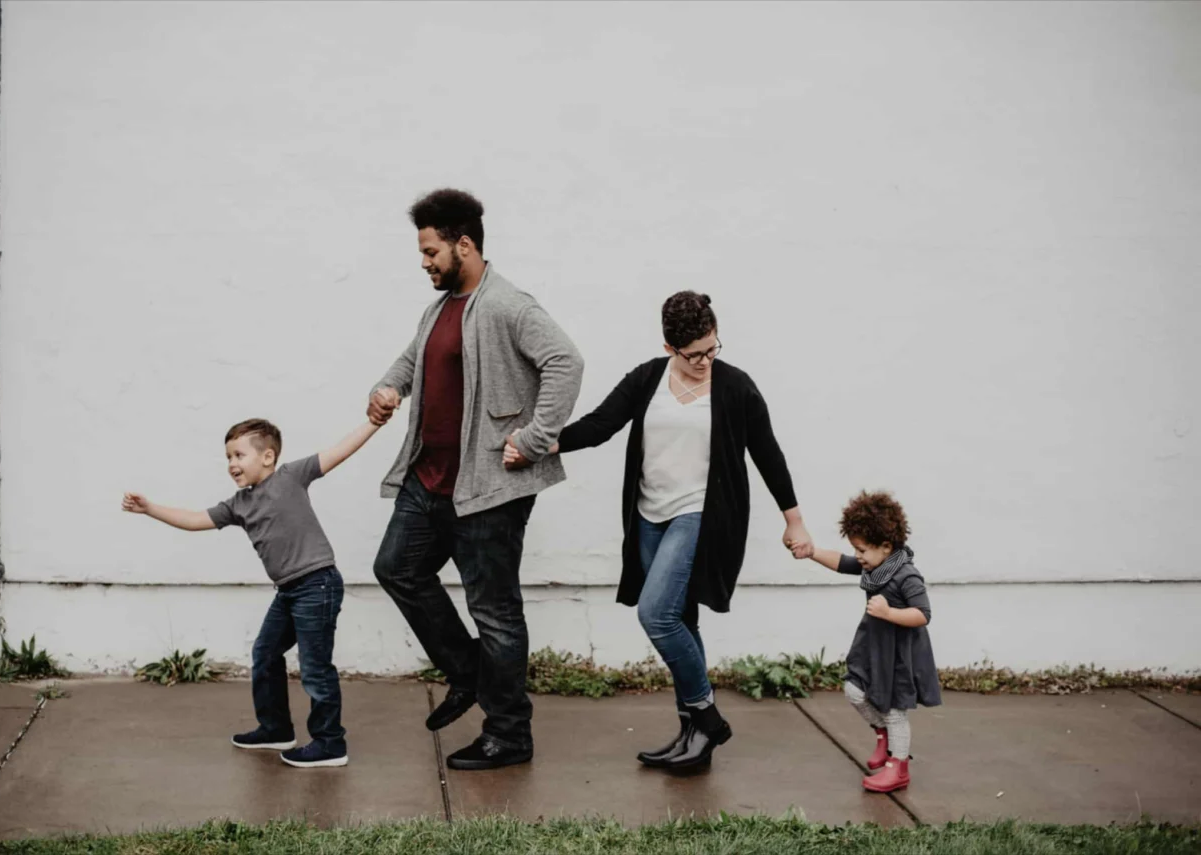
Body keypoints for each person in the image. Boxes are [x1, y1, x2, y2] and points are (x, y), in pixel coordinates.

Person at [504, 291, 813, 771]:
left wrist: (793, 520)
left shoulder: (735, 387)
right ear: (670, 348)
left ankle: (707, 717)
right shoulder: (649, 378)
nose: (706, 361)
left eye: (713, 349)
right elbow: (600, 425)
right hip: (649, 516)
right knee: (681, 620)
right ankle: (694, 738)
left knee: (657, 615)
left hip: (701, 514)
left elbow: (767, 453)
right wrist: (538, 445)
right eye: (694, 355)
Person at [368, 189, 583, 771]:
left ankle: (509, 733)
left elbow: (567, 362)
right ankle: (468, 675)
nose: (424, 262)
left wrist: (535, 438)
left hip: (487, 488)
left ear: (464, 244)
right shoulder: (439, 308)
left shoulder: (508, 305)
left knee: (495, 612)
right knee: (397, 569)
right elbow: (413, 360)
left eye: (431, 250)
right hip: (428, 479)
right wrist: (388, 388)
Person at [122, 417, 380, 768]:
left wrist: (374, 422)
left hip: (317, 584)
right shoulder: (238, 504)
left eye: (239, 455)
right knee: (265, 652)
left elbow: (339, 451)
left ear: (268, 457)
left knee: (315, 667)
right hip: (288, 591)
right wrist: (149, 509)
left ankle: (330, 743)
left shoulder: (291, 476)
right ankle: (275, 729)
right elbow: (196, 519)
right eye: (228, 457)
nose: (232, 464)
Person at [800, 490, 941, 793]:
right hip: (874, 647)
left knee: (893, 710)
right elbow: (841, 562)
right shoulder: (874, 566)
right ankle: (883, 735)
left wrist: (889, 612)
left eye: (862, 550)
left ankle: (898, 767)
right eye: (856, 549)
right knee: (854, 690)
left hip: (898, 654)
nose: (858, 556)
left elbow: (923, 614)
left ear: (886, 546)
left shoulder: (906, 575)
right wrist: (812, 551)